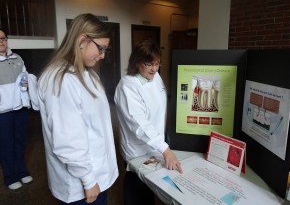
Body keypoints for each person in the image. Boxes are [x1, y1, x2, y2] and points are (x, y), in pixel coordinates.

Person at [37, 13, 118, 205]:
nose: (103, 55)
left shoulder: (86, 73)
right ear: (82, 40)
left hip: (96, 173)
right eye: (100, 48)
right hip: (81, 183)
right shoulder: (62, 79)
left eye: (105, 49)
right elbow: (67, 139)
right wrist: (88, 179)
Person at [114, 39, 183, 205]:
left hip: (154, 145)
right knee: (136, 189)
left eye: (157, 63)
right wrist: (165, 150)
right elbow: (139, 124)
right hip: (136, 149)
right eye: (149, 64)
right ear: (137, 63)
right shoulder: (128, 86)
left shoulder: (155, 77)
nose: (154, 68)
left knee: (148, 190)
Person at [0, 28, 36, 190]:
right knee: (6, 144)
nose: (2, 41)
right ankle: (10, 176)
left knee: (20, 142)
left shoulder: (17, 58)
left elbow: (24, 77)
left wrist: (26, 82)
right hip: (3, 113)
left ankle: (21, 171)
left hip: (20, 109)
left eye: (4, 38)